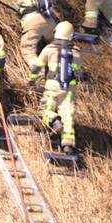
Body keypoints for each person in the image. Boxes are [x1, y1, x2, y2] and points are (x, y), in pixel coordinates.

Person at [29, 21, 81, 154]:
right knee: (68, 115)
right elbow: (77, 70)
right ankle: (68, 144)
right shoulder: (76, 52)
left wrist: (32, 81)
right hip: (69, 88)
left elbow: (37, 66)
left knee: (45, 109)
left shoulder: (49, 49)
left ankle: (54, 120)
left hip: (53, 85)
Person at [11, 0, 58, 74]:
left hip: (33, 23)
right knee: (55, 47)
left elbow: (17, 7)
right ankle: (60, 70)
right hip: (50, 21)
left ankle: (40, 74)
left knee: (28, 50)